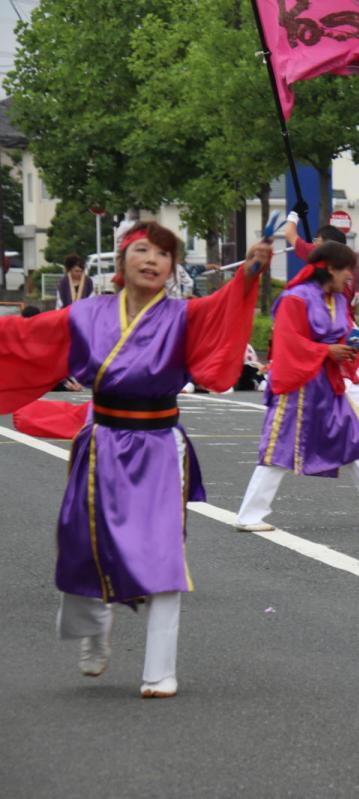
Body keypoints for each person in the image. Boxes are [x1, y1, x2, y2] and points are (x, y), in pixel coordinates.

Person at [0, 221, 269, 698]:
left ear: (172, 268)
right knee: (82, 545)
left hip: (160, 445)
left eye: (163, 254)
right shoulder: (85, 315)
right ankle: (93, 625)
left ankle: (159, 670)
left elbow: (224, 308)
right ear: (121, 263)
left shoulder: (184, 316)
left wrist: (249, 271)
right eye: (141, 250)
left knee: (163, 552)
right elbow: (24, 337)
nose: (152, 260)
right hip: (101, 440)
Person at [233, 242, 359, 532]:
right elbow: (287, 342)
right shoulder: (295, 298)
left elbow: (340, 335)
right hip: (297, 385)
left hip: (327, 384)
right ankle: (248, 515)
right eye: (346, 269)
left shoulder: (339, 300)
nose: (350, 275)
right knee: (278, 448)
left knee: (355, 442)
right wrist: (326, 352)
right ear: (329, 268)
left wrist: (348, 348)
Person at [284, 211, 359, 452]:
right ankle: (354, 429)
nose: (314, 244)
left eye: (317, 240)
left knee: (339, 385)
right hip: (347, 326)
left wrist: (294, 214)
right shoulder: (348, 262)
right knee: (349, 384)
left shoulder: (325, 260)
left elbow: (289, 233)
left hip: (334, 327)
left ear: (324, 244)